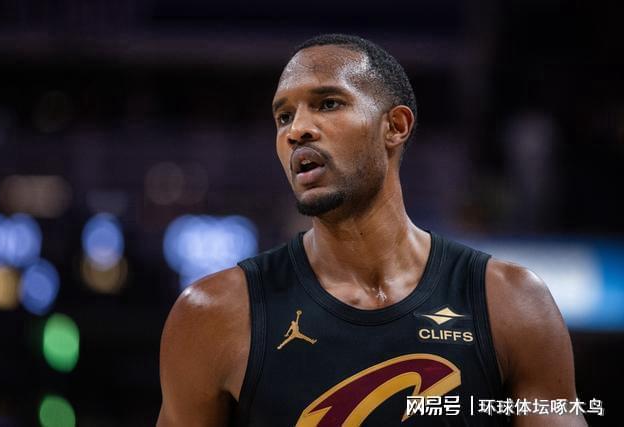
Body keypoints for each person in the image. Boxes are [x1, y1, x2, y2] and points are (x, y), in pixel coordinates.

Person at [157, 34, 586, 426]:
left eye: (328, 103)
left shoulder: (511, 302)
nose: (296, 130)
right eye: (284, 116)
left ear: (395, 127)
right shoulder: (214, 315)